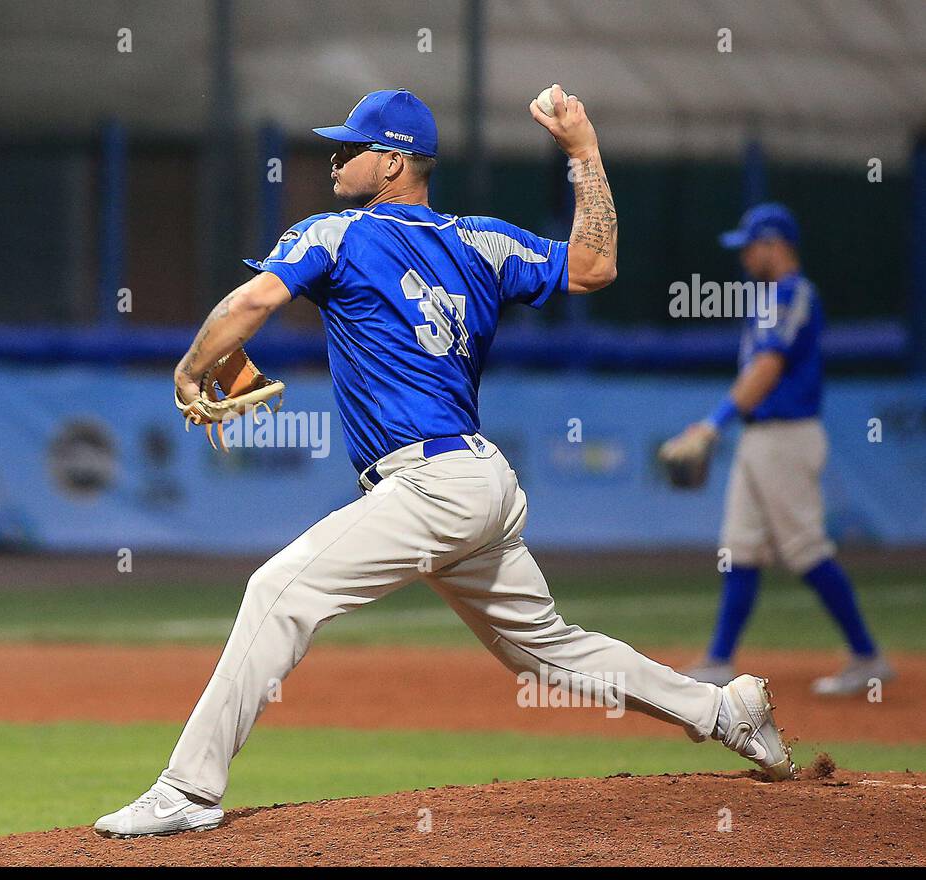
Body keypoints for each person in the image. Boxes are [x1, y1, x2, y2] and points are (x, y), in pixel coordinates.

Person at [94, 87, 793, 839]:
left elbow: (252, 302)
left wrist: (191, 367)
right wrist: (584, 153)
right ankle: (725, 711)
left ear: (393, 162)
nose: (335, 157)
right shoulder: (482, 242)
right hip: (480, 484)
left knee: (276, 592)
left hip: (430, 485)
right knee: (546, 654)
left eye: (352, 147)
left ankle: (188, 791)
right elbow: (594, 267)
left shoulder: (335, 234)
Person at [678, 203, 894, 696]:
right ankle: (718, 659)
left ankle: (868, 656)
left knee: (804, 549)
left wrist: (713, 426)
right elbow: (756, 375)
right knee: (741, 547)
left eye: (751, 246)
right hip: (759, 437)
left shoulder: (794, 294)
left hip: (788, 437)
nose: (745, 256)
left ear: (775, 244)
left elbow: (767, 370)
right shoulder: (767, 298)